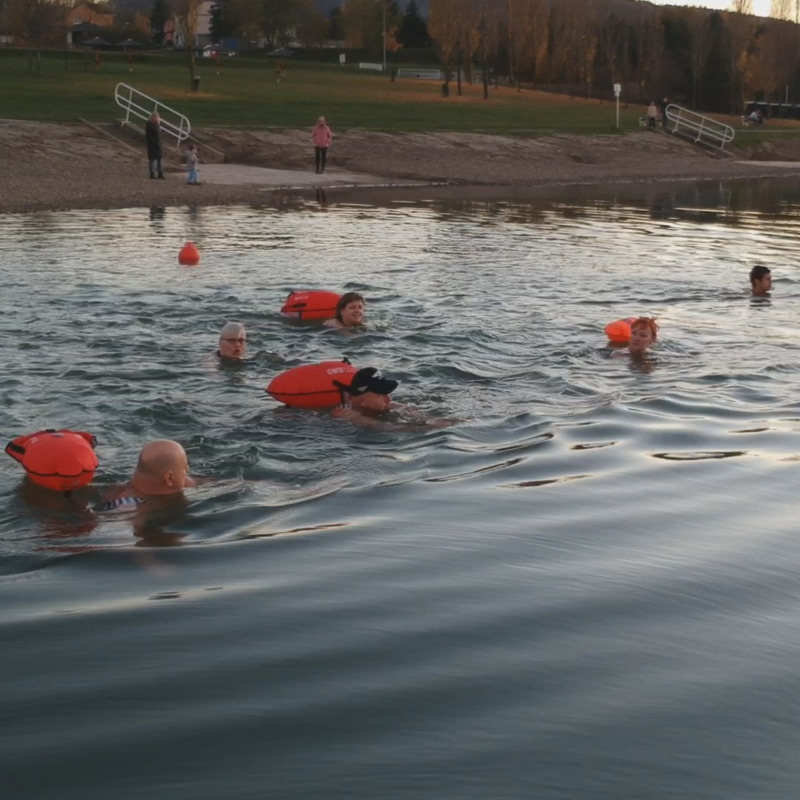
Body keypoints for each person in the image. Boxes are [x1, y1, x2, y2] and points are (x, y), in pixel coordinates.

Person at [331, 367, 457, 430]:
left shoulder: (387, 405)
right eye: (380, 395)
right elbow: (388, 428)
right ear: (363, 401)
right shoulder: (351, 416)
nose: (388, 399)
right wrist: (430, 427)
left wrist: (413, 411)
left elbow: (409, 409)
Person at [98, 440, 200, 511]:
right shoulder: (129, 507)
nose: (188, 469)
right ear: (169, 478)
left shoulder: (122, 488)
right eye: (185, 468)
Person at [145, 112, 165, 180]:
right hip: (154, 145)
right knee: (154, 160)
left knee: (158, 160)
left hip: (155, 145)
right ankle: (154, 173)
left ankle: (158, 173)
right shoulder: (152, 126)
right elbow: (155, 136)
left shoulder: (152, 125)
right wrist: (158, 144)